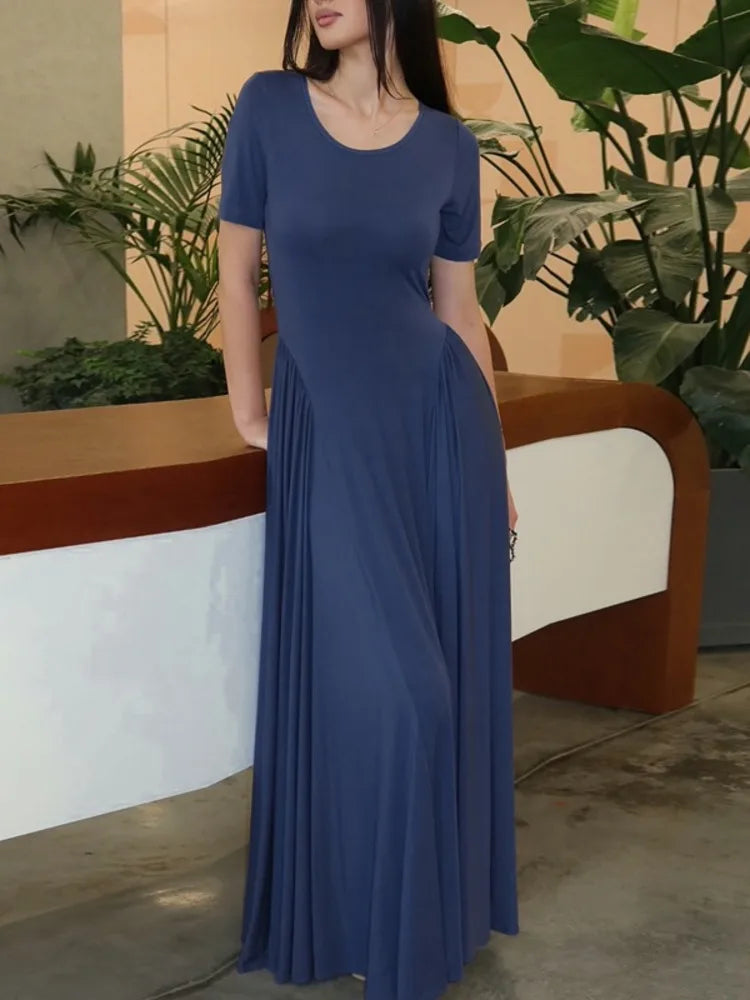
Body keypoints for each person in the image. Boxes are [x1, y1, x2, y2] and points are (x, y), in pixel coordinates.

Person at [217, 1, 519, 998]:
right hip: (329, 429)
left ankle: (405, 932)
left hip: (441, 431)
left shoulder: (446, 145)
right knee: (409, 695)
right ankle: (389, 935)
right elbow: (237, 269)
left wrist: (500, 463)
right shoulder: (267, 107)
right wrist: (251, 411)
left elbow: (458, 311)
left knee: (431, 689)